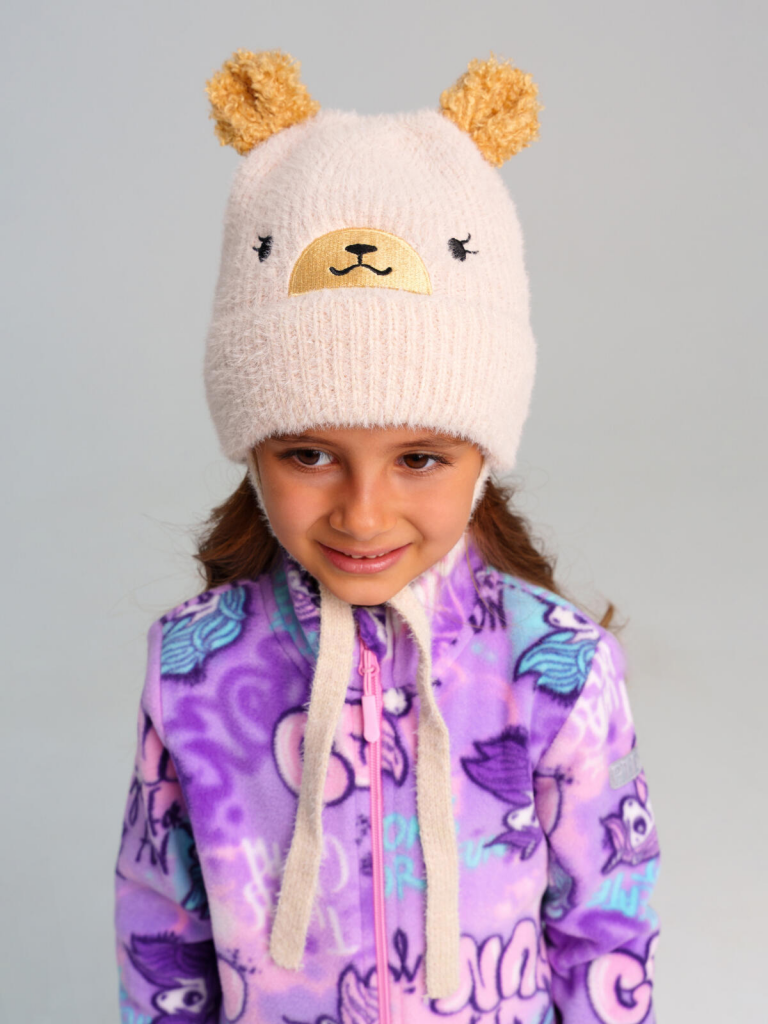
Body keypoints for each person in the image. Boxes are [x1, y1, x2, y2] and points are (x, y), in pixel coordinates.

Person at [114, 49, 660, 1024]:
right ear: (252, 453)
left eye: (419, 458)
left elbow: (606, 933)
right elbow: (161, 933)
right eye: (309, 454)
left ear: (482, 459)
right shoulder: (193, 668)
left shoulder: (557, 668)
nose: (363, 514)